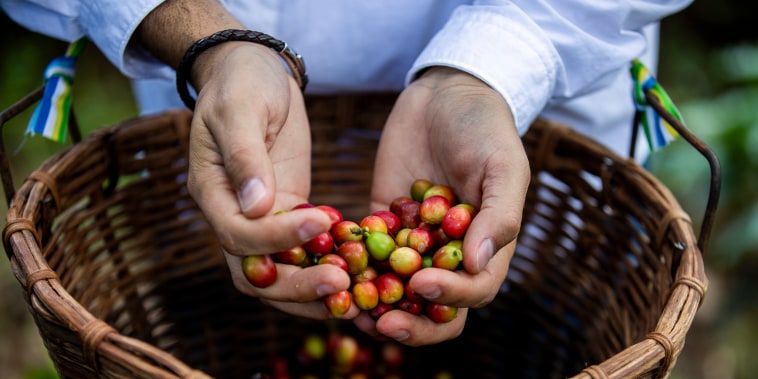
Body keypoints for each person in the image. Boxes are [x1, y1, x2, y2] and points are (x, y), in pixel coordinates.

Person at [1, 0, 692, 347]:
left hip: (535, 85)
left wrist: (492, 67)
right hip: (225, 87)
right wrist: (210, 44)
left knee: (548, 328)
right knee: (227, 316)